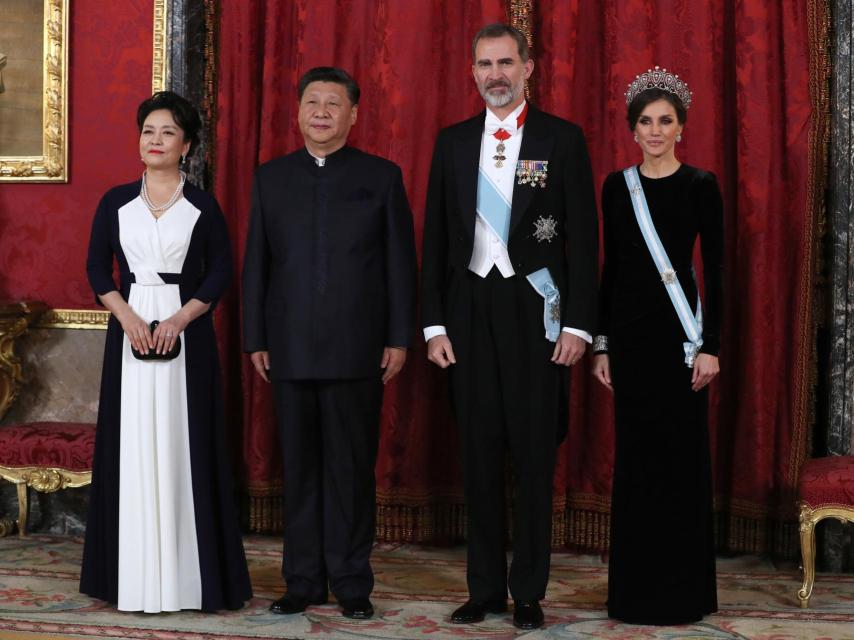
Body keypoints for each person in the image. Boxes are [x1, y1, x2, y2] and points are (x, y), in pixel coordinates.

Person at [421, 24, 598, 630]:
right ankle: (485, 589)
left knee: (532, 455)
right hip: (468, 313)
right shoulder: (450, 143)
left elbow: (585, 242)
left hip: (537, 314)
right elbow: (436, 243)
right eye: (484, 64)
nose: (494, 73)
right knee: (478, 457)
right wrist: (433, 325)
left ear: (529, 68)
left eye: (505, 62)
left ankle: (528, 592)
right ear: (472, 72)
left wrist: (579, 325)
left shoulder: (563, 139)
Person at [242, 67, 417, 620]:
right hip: (288, 347)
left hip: (359, 348)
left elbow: (399, 265)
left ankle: (350, 580)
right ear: (297, 112)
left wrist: (398, 336)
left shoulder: (382, 177)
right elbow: (258, 267)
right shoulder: (271, 178)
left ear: (353, 115)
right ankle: (302, 580)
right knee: (300, 468)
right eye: (312, 102)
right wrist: (255, 337)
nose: (321, 112)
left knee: (349, 468)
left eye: (333, 103)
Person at [80, 91, 252, 612]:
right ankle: (127, 578)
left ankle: (190, 580)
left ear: (188, 145)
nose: (155, 141)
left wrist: (179, 319)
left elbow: (221, 270)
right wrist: (129, 318)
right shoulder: (114, 202)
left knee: (187, 445)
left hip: (187, 332)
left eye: (168, 133)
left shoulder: (202, 205)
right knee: (129, 444)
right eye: (148, 131)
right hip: (129, 332)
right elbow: (95, 269)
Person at [591, 67, 722, 624]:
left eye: (665, 121)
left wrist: (710, 345)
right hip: (631, 344)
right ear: (632, 129)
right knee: (638, 467)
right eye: (645, 121)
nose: (655, 130)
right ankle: (634, 594)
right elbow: (612, 269)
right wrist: (601, 344)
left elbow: (716, 271)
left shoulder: (700, 185)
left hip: (681, 345)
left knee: (681, 466)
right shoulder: (617, 187)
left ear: (681, 127)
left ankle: (683, 595)